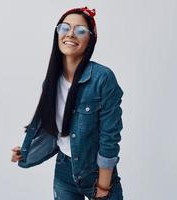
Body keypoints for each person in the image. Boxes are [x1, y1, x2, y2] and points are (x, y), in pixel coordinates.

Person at [11, 6, 124, 200]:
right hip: (64, 171)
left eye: (80, 31)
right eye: (64, 28)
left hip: (97, 173)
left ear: (90, 40)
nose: (70, 34)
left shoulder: (103, 79)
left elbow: (109, 138)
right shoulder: (51, 81)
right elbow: (54, 129)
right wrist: (27, 150)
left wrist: (104, 187)